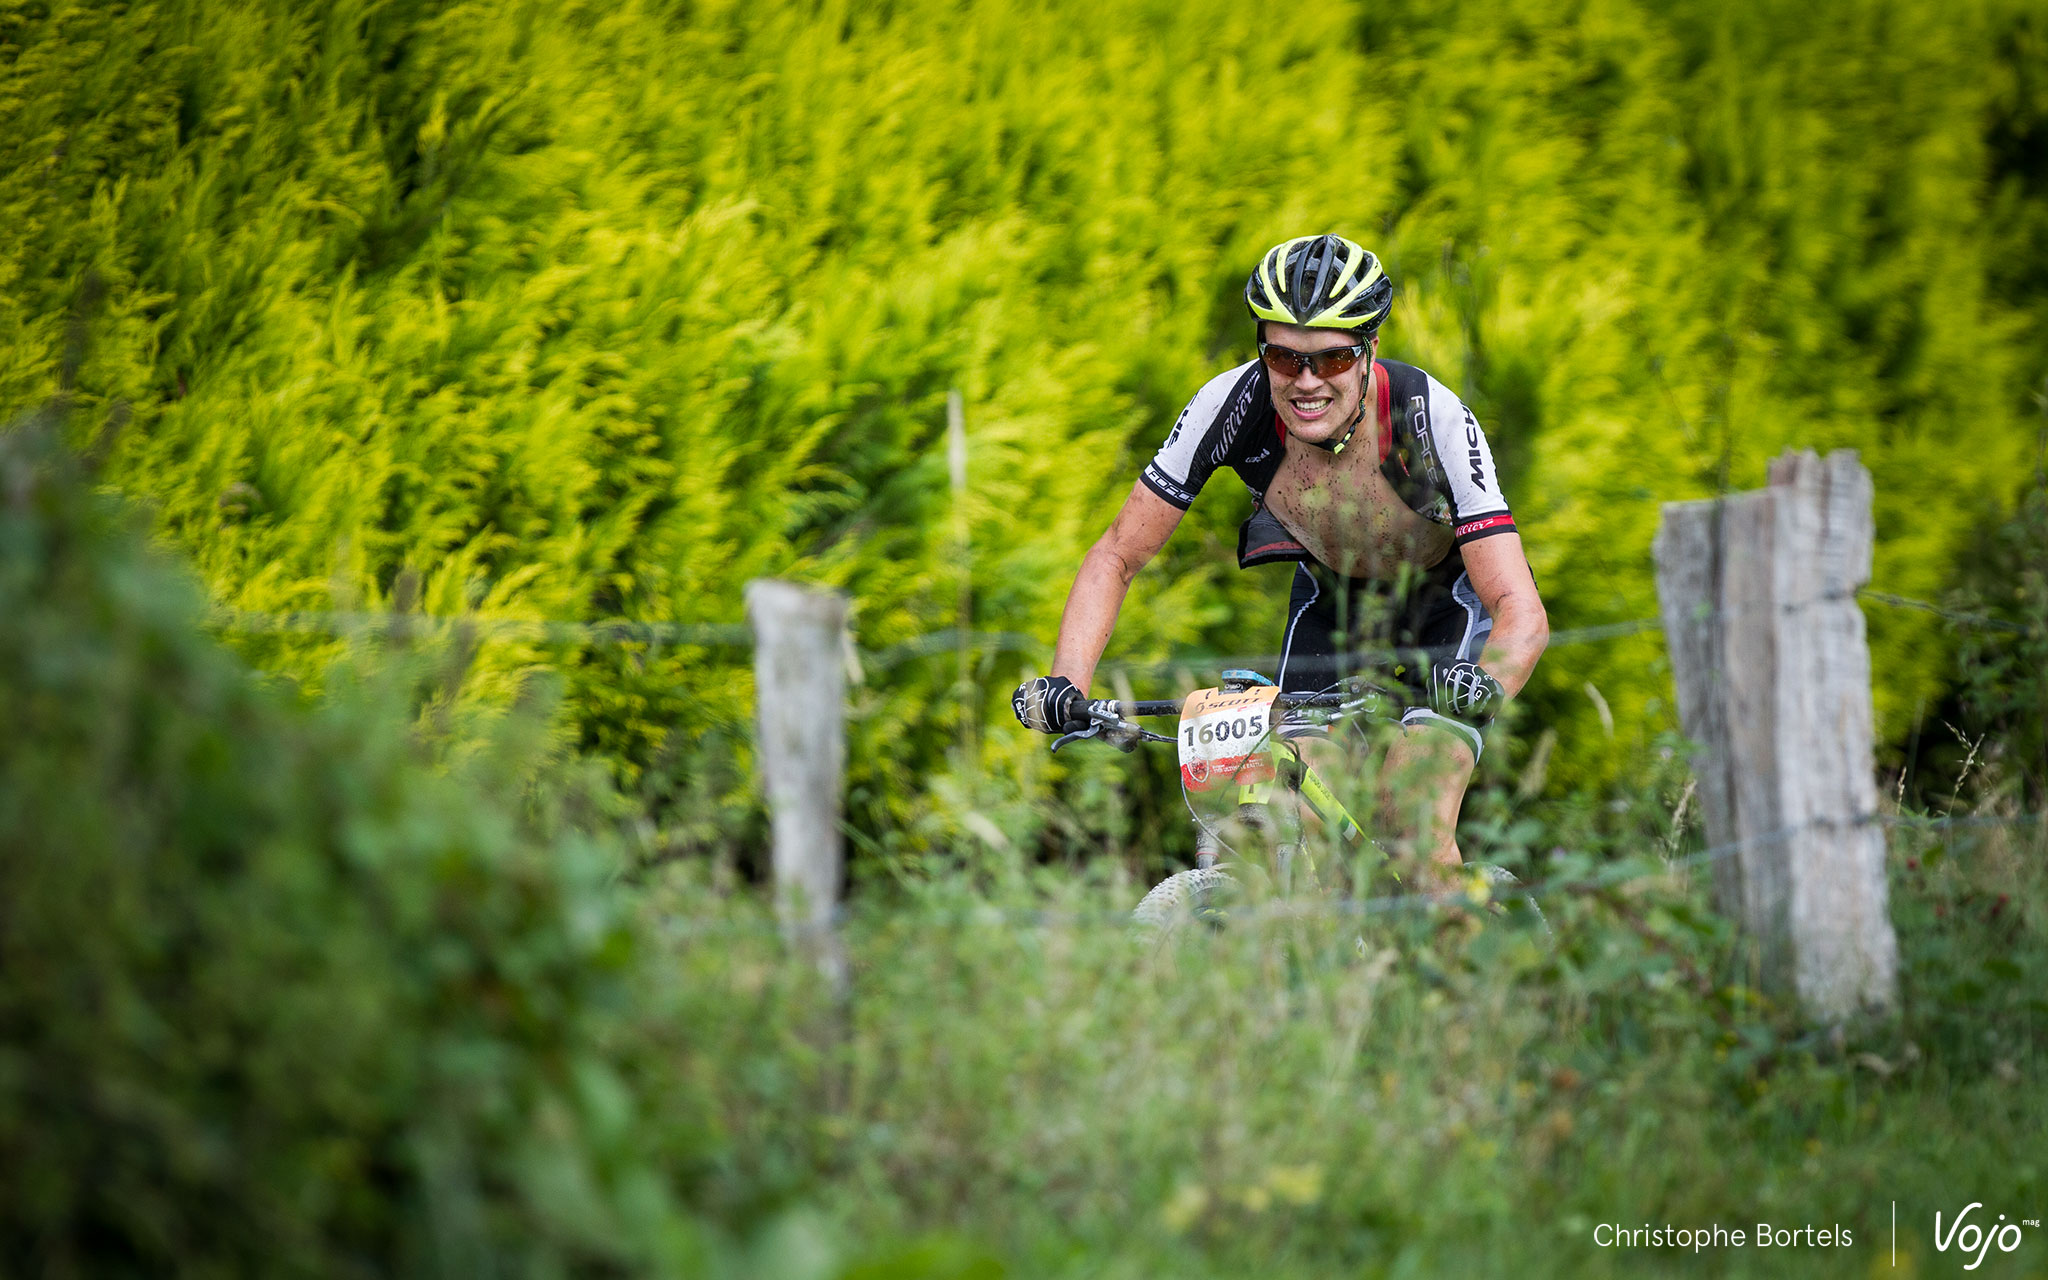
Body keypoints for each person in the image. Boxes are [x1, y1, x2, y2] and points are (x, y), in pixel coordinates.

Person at [1012, 233, 1549, 883]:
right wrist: (1067, 683)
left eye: (1330, 359)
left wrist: (1484, 684)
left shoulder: (1424, 416)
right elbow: (1117, 554)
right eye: (1284, 356)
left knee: (1410, 821)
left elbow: (1519, 606)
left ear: (1369, 349)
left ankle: (1467, 966)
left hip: (1447, 614)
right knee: (1286, 820)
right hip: (1332, 606)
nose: (1305, 381)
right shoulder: (1231, 407)